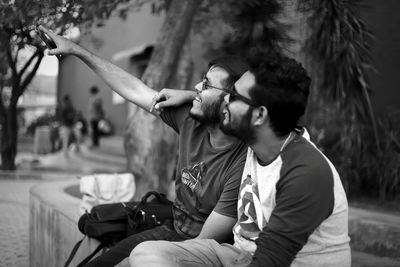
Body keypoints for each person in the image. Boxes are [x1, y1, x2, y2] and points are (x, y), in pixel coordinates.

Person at [39, 26, 248, 266]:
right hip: (170, 228)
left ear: (229, 102)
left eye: (207, 85)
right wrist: (77, 50)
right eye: (202, 81)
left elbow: (202, 243)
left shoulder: (242, 161)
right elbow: (133, 89)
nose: (198, 88)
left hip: (199, 249)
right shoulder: (191, 120)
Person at [130, 50, 351, 267]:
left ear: (260, 115)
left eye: (233, 96)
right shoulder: (257, 142)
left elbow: (270, 260)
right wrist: (194, 95)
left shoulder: (306, 174)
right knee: (145, 255)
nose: (224, 99)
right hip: (236, 255)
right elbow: (210, 104)